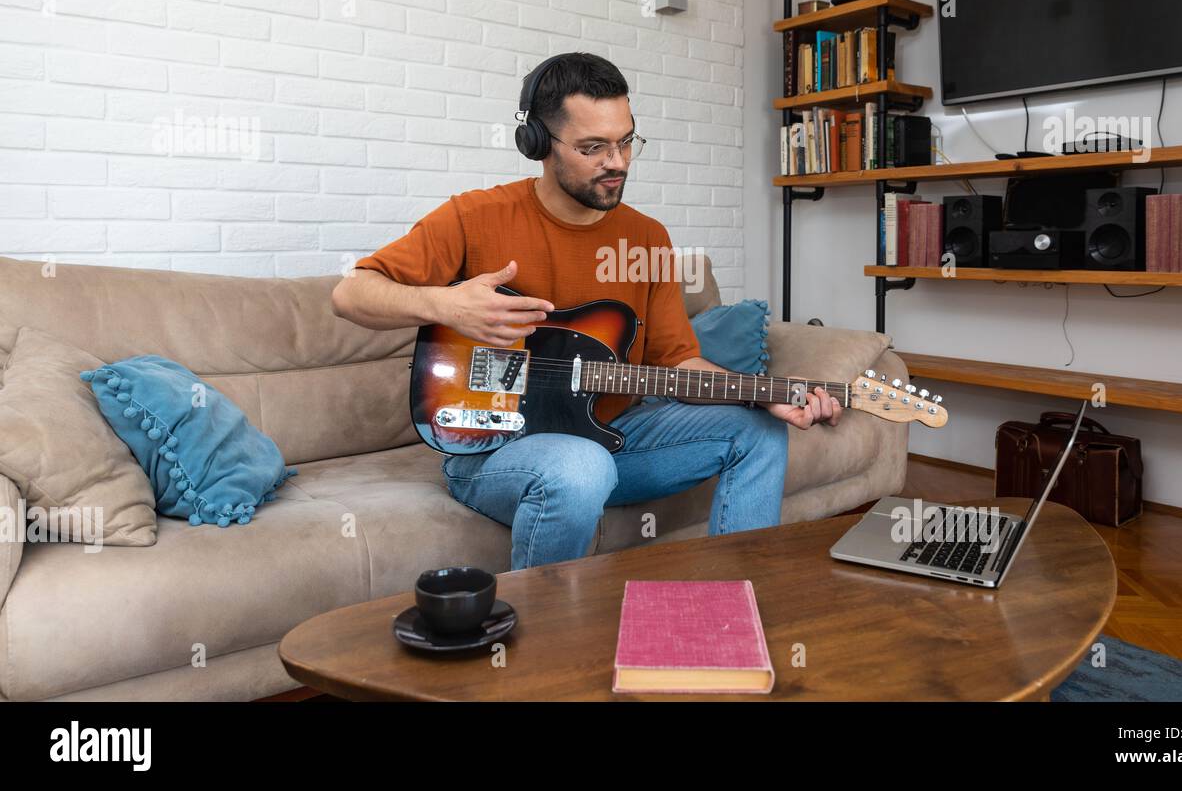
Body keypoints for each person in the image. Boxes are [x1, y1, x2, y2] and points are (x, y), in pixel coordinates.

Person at [331, 53, 841, 570]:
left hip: (614, 438)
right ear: (537, 145)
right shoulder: (474, 217)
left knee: (757, 432)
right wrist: (445, 303)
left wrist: (761, 396)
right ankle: (542, 640)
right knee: (581, 464)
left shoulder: (647, 238)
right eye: (593, 147)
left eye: (626, 141)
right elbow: (351, 294)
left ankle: (732, 615)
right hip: (493, 447)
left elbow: (676, 362)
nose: (617, 162)